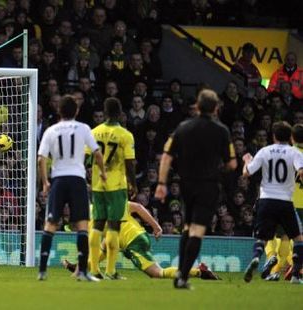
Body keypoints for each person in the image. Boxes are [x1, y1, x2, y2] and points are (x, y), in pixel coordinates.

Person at [155, 89, 237, 289]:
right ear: (216, 108)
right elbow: (232, 164)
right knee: (197, 231)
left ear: (198, 107)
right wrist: (219, 168)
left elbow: (166, 156)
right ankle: (182, 276)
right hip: (208, 185)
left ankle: (181, 274)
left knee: (186, 227)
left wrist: (161, 183)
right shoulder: (221, 131)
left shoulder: (183, 128)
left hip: (186, 184)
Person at [37, 95, 106, 282]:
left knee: (50, 225)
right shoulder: (83, 128)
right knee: (82, 226)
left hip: (58, 180)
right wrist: (103, 173)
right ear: (76, 111)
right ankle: (82, 272)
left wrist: (45, 181)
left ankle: (42, 271)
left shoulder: (51, 130)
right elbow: (97, 153)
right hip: (77, 180)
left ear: (59, 111)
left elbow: (41, 158)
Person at [62, 201, 220, 281]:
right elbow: (137, 207)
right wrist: (156, 226)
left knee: (158, 273)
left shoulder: (90, 228)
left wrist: (77, 271)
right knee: (106, 246)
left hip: (132, 242)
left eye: (73, 228)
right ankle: (199, 271)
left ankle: (199, 271)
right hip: (139, 235)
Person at [242, 121, 303, 284]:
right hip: (285, 201)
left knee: (262, 238)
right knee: (297, 238)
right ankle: (296, 275)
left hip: (266, 200)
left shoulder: (264, 151)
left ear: (274, 136)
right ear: (289, 136)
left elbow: (247, 173)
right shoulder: (294, 152)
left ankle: (256, 258)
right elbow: (302, 172)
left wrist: (247, 161)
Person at [89, 97, 136, 280]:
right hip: (116, 186)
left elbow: (87, 159)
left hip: (98, 185)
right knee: (113, 226)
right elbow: (130, 162)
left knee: (98, 224)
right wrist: (133, 184)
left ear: (105, 112)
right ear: (120, 113)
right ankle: (110, 271)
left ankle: (93, 270)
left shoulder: (93, 133)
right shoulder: (125, 135)